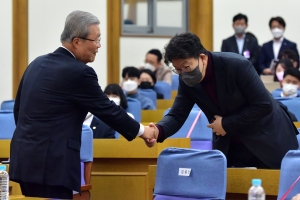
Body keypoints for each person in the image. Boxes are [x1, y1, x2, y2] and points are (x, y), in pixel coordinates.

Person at [9, 10, 157, 199]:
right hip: (53, 164)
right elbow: (107, 110)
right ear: (77, 41)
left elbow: (19, 110)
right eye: (96, 40)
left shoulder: (36, 64)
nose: (99, 46)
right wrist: (144, 132)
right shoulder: (79, 72)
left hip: (24, 159)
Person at [146, 32, 298, 169]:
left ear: (202, 58)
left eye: (186, 67)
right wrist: (158, 130)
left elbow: (263, 105)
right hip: (232, 145)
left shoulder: (236, 65)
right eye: (177, 70)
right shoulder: (186, 80)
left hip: (267, 139)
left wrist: (226, 123)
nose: (183, 74)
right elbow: (177, 114)